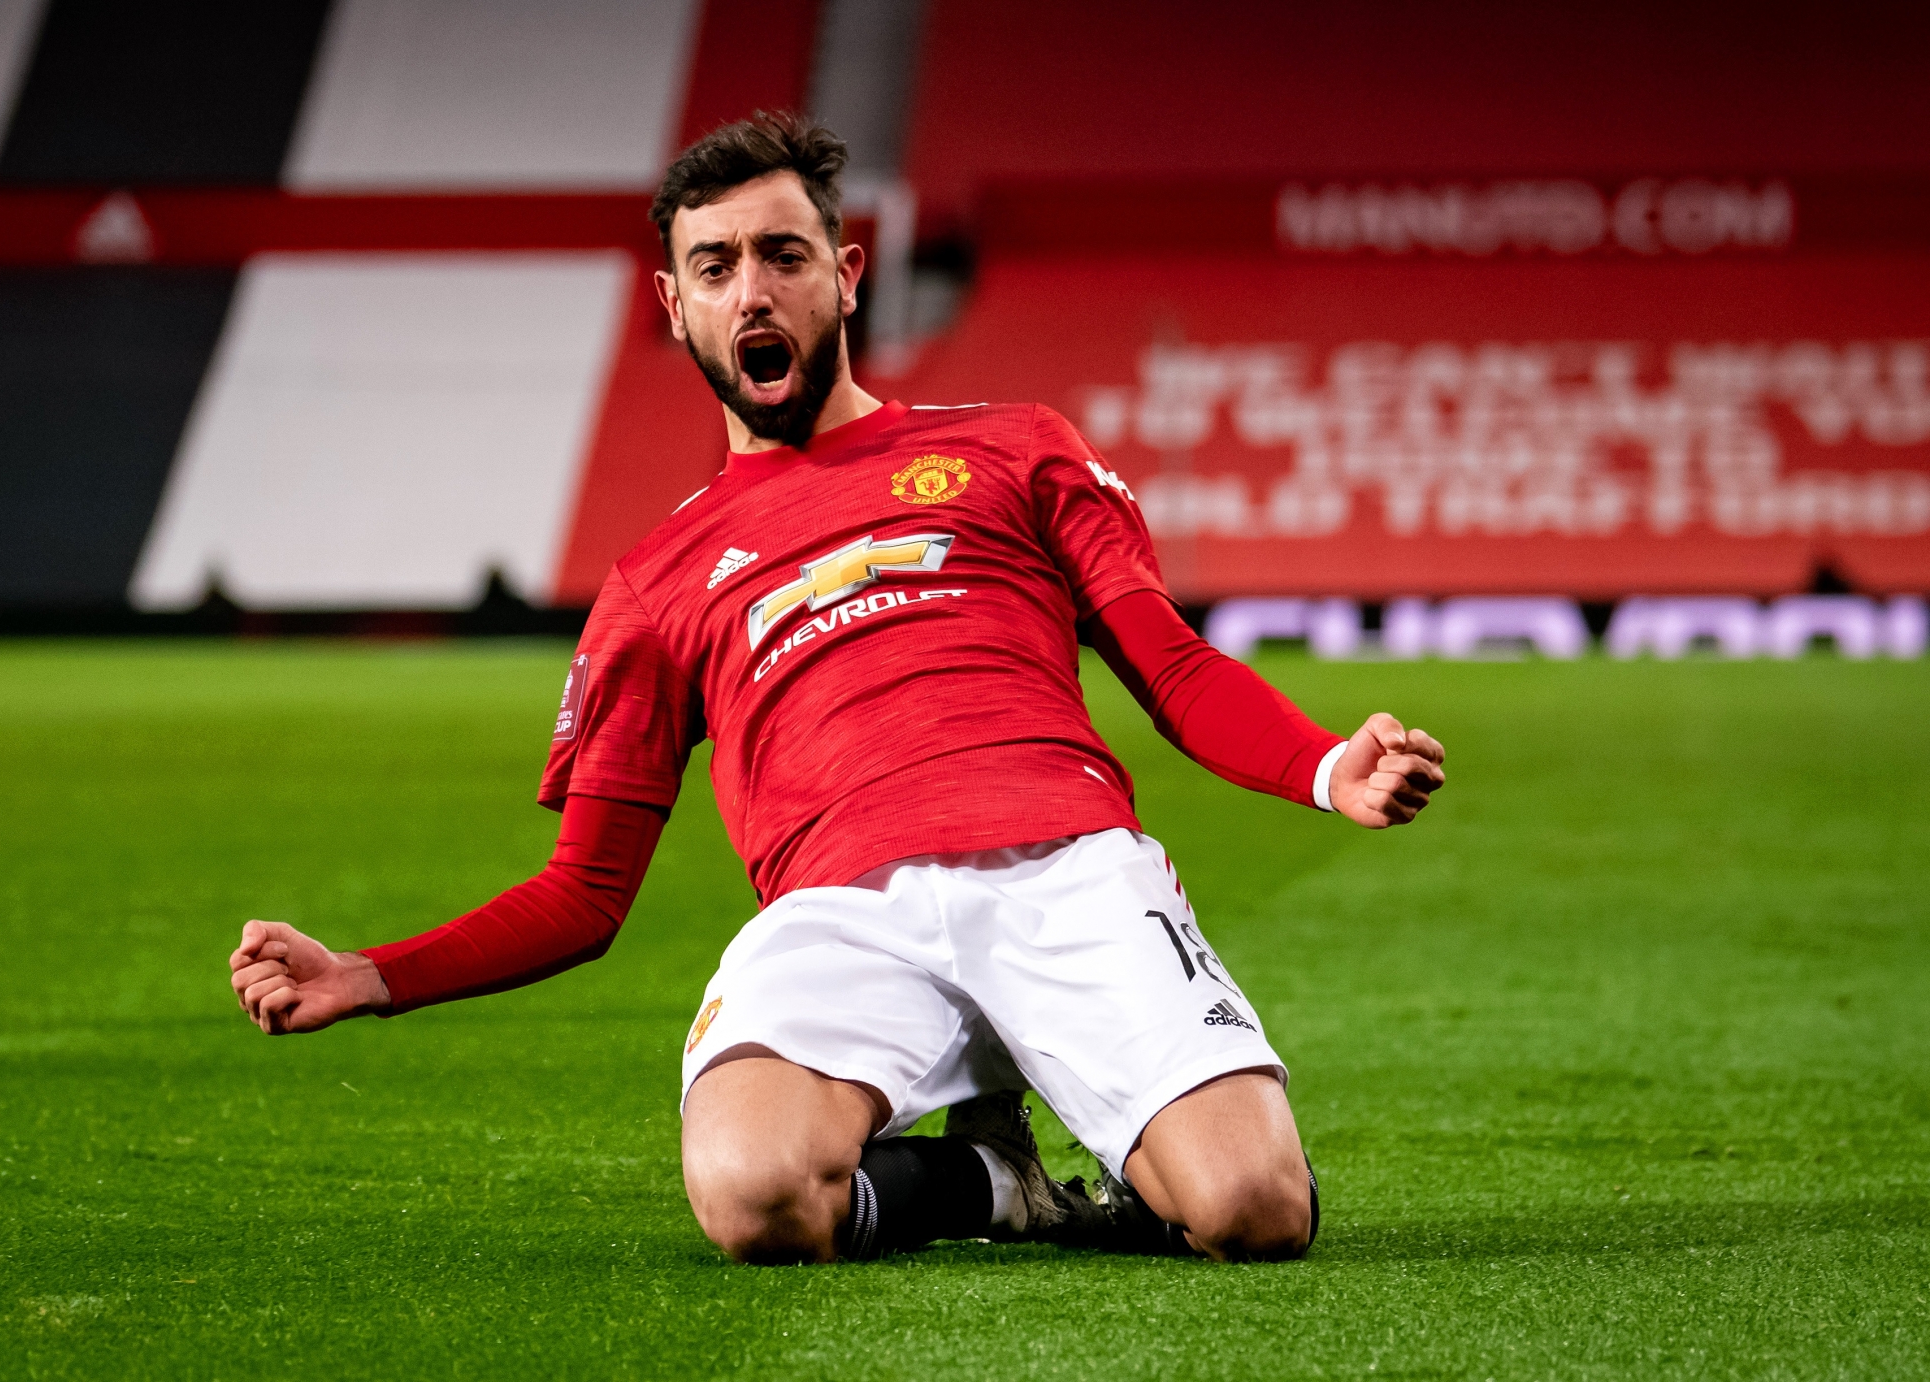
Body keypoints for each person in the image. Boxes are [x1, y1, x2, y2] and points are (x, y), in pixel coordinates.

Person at [227, 113, 1446, 1266]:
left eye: (782, 255)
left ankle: (1146, 1135)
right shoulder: (654, 583)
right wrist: (370, 973)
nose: (750, 291)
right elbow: (585, 891)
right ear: (675, 305)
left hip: (1065, 868)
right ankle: (991, 1181)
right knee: (754, 1194)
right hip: (841, 912)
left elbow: (1169, 663)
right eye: (714, 267)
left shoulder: (1016, 445)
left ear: (846, 275)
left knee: (1252, 1208)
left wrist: (1324, 765)